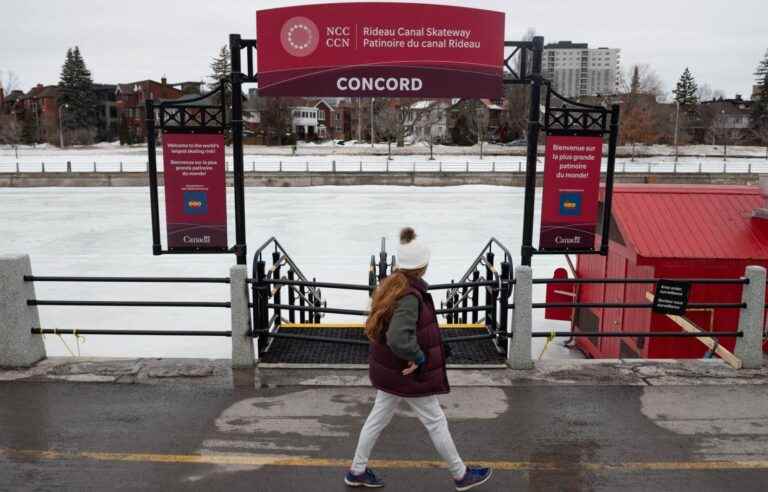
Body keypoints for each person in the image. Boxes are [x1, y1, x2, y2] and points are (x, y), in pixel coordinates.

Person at [345, 228, 493, 490]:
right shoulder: (410, 296)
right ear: (422, 267)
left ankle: (357, 470)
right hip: (407, 373)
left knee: (377, 418)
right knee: (435, 421)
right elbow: (399, 338)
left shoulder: (393, 285)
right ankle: (461, 475)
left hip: (390, 369)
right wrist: (419, 357)